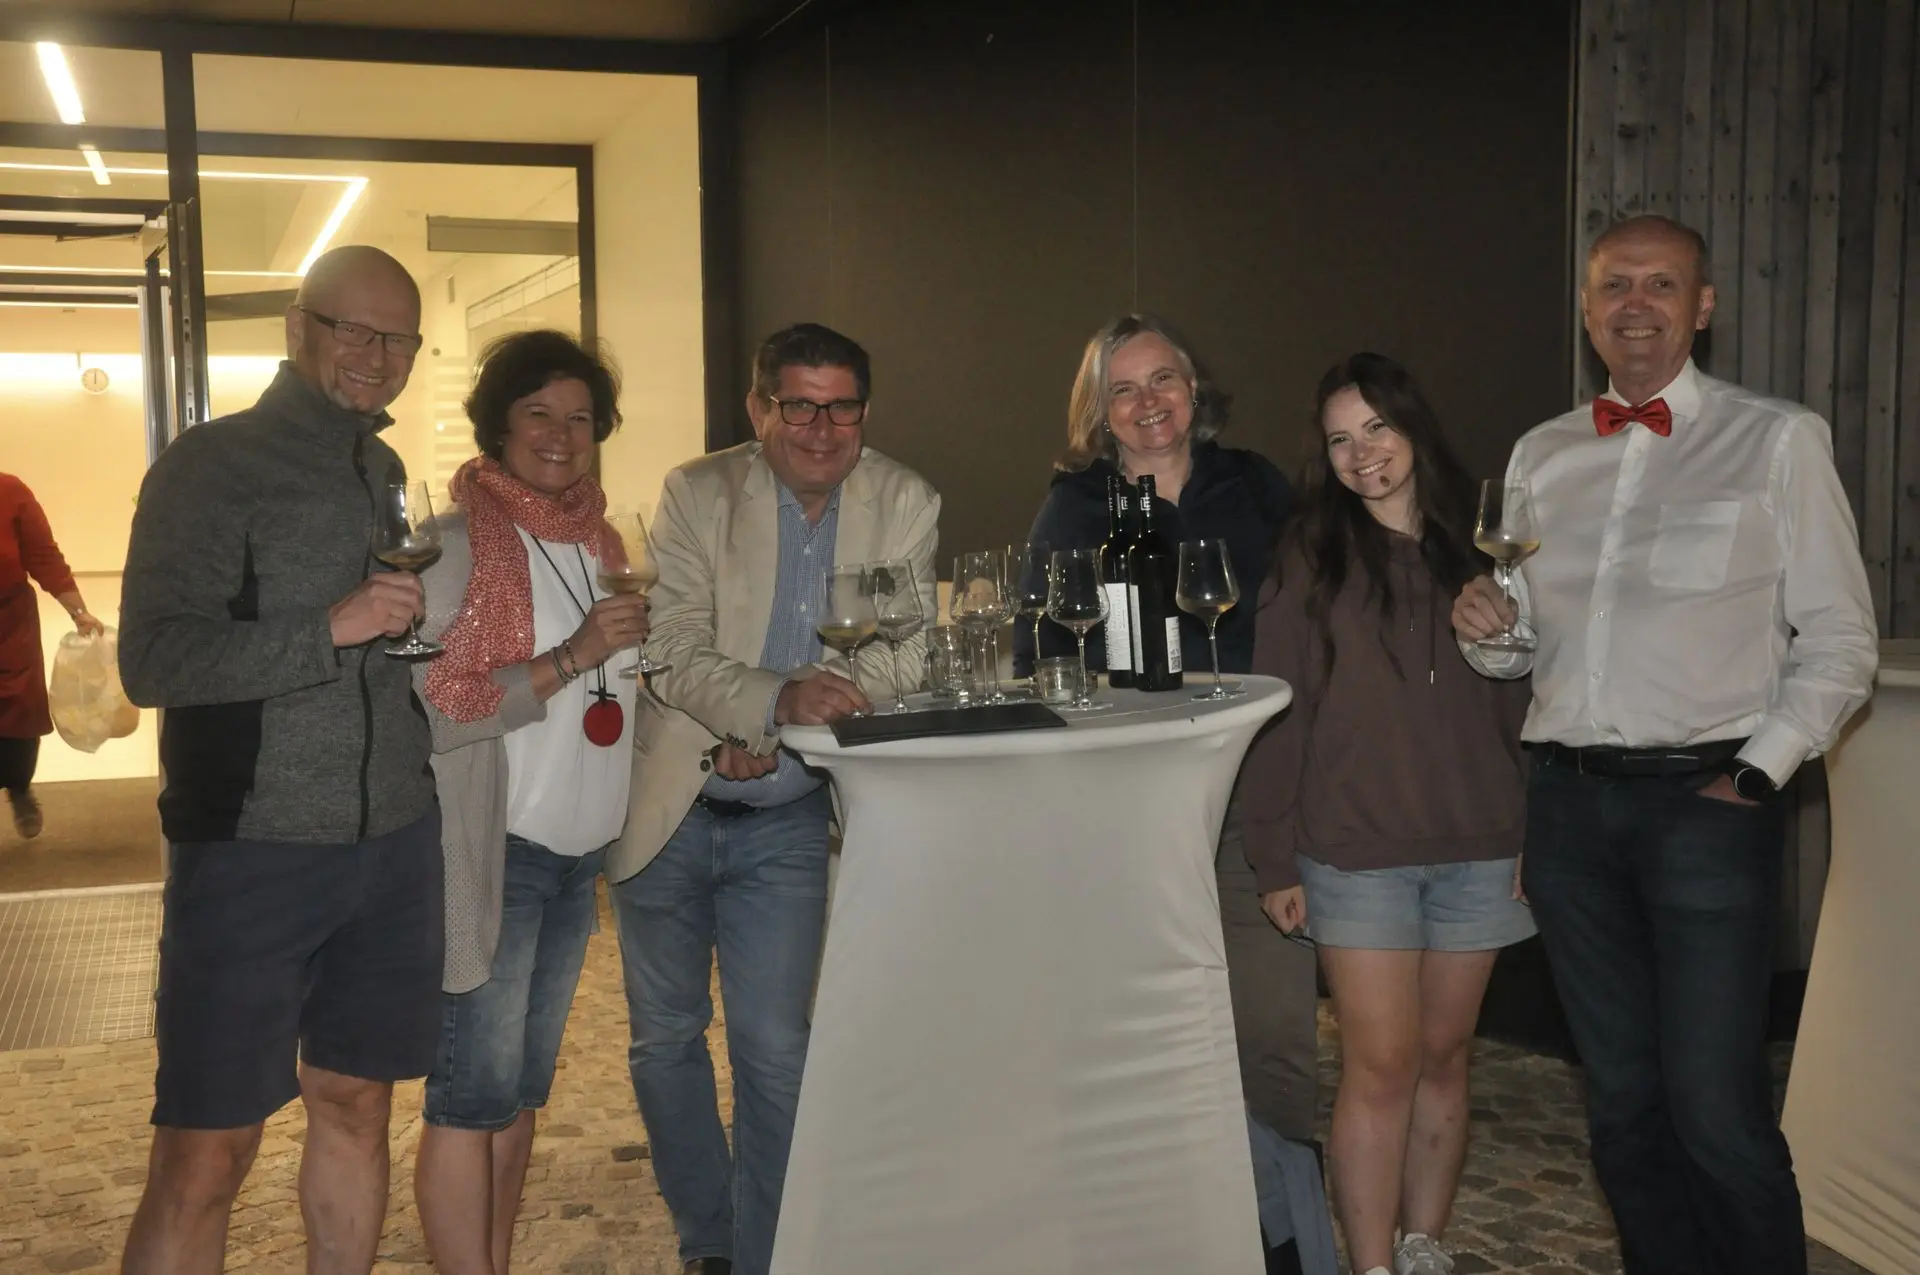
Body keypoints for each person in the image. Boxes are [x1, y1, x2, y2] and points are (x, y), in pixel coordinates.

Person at [1452, 214, 1878, 1275]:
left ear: (1704, 306)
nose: (1634, 304)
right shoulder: (1543, 452)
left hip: (1708, 809)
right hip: (1568, 812)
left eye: (1660, 284)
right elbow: (1527, 650)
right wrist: (1489, 631)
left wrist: (1755, 774)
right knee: (1624, 1109)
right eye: (1614, 285)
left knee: (1716, 1112)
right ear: (1587, 307)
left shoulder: (1777, 439)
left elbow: (1841, 639)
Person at [117, 245, 443, 1275]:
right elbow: (152, 660)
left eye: (399, 339)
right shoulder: (211, 466)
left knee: (355, 1103)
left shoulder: (383, 469)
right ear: (299, 329)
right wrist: (329, 629)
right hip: (251, 849)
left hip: (392, 843)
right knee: (207, 1148)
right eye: (355, 330)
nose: (377, 356)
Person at [608, 323, 939, 1275]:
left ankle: (769, 1252)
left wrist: (784, 725)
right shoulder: (697, 492)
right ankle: (708, 1238)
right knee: (666, 1042)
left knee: (775, 1048)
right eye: (799, 405)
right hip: (671, 805)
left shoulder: (906, 501)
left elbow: (907, 657)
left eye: (841, 407)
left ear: (865, 412)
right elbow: (671, 645)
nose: (821, 428)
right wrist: (766, 705)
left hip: (790, 814)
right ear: (760, 409)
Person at [1015, 314, 1327, 1274]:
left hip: (1252, 801)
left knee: (1273, 1036)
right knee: (1146, 1033)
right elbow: (1038, 652)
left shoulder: (1256, 485)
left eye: (1164, 380)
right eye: (1123, 388)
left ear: (1195, 389)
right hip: (1128, 812)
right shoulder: (1075, 506)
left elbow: (1329, 606)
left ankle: (1292, 1241)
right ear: (1098, 410)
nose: (1148, 402)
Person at [1242, 354, 1535, 1275]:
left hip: (1483, 847)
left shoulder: (1488, 553)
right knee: (1380, 1064)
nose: (1361, 452)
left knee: (1446, 1057)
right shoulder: (1308, 555)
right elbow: (1278, 711)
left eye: (1376, 427)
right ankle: (1370, 1264)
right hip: (1355, 854)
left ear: (1414, 427)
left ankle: (1420, 1246)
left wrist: (1540, 829)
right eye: (1340, 438)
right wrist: (1273, 856)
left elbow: (1531, 707)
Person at [409, 330, 651, 1275]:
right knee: (467, 1100)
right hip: (497, 853)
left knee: (516, 1099)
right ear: (498, 426)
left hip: (576, 859)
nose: (561, 434)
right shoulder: (456, 547)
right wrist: (573, 656)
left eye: (581, 417)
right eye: (539, 413)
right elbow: (434, 708)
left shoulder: (602, 542)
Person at [0, 472, 103, 839]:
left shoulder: (10, 491)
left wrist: (79, 612)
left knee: (20, 709)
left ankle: (19, 786)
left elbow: (44, 556)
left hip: (9, 622)